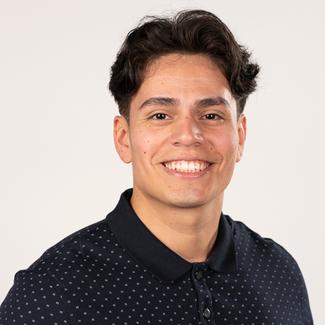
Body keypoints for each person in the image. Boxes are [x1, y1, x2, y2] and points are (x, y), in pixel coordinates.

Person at [0, 9, 313, 325]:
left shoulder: (278, 273)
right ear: (124, 138)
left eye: (212, 115)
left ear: (240, 136)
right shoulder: (51, 293)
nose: (189, 135)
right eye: (160, 115)